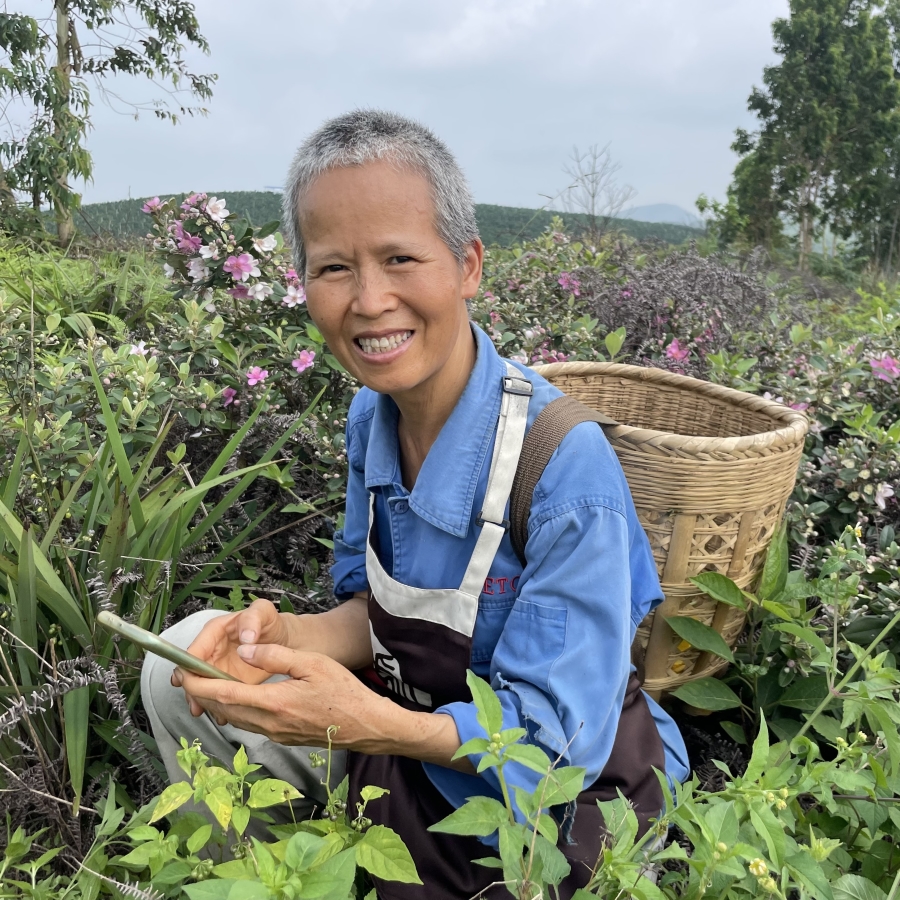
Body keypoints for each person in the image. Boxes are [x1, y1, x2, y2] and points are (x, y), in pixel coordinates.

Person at [141, 109, 689, 899]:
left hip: (547, 806)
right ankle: (269, 878)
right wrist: (280, 635)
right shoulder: (374, 416)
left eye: (401, 258)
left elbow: (555, 749)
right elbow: (382, 612)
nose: (369, 300)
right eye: (334, 268)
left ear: (467, 264)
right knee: (182, 663)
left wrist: (361, 723)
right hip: (408, 742)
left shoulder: (562, 466)